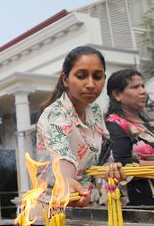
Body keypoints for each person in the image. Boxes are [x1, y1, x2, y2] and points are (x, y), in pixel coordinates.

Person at [36, 46, 125, 207]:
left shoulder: (95, 111)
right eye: (81, 76)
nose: (91, 84)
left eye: (97, 77)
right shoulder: (55, 114)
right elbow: (62, 155)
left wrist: (110, 168)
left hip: (86, 203)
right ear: (65, 79)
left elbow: (102, 156)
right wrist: (67, 181)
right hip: (52, 206)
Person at [106, 69, 154, 205]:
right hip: (140, 202)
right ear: (117, 94)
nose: (143, 91)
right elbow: (122, 163)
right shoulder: (114, 124)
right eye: (135, 87)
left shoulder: (146, 123)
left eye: (143, 86)